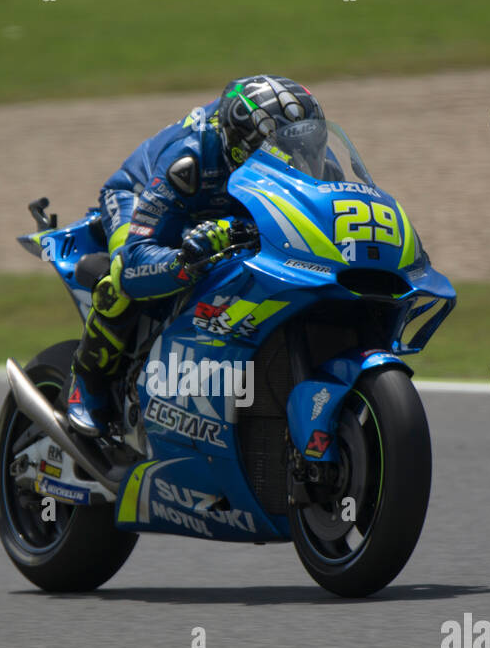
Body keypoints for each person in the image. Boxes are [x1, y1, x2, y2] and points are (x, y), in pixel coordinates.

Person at [65, 75, 325, 436]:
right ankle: (87, 383)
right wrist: (182, 261)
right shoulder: (189, 158)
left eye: (306, 144)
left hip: (224, 212)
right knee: (121, 275)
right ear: (239, 147)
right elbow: (137, 258)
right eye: (279, 150)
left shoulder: (303, 158)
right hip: (141, 195)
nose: (298, 158)